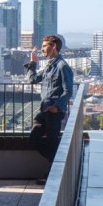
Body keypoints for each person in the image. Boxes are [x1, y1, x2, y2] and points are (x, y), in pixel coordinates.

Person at [29, 34, 74, 166]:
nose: (42, 49)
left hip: (53, 112)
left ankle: (52, 171)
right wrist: (33, 62)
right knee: (34, 139)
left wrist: (57, 107)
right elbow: (33, 79)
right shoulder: (49, 66)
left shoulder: (62, 66)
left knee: (52, 142)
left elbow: (68, 91)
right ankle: (57, 162)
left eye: (44, 46)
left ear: (53, 46)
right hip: (45, 110)